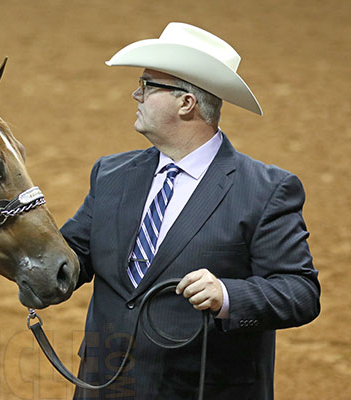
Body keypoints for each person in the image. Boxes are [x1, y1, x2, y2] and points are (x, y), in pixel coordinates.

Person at [60, 22, 320, 400]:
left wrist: (227, 294)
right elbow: (71, 258)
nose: (136, 94)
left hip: (201, 390)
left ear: (186, 103)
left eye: (148, 86)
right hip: (107, 386)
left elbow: (300, 292)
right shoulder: (111, 174)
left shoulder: (266, 190)